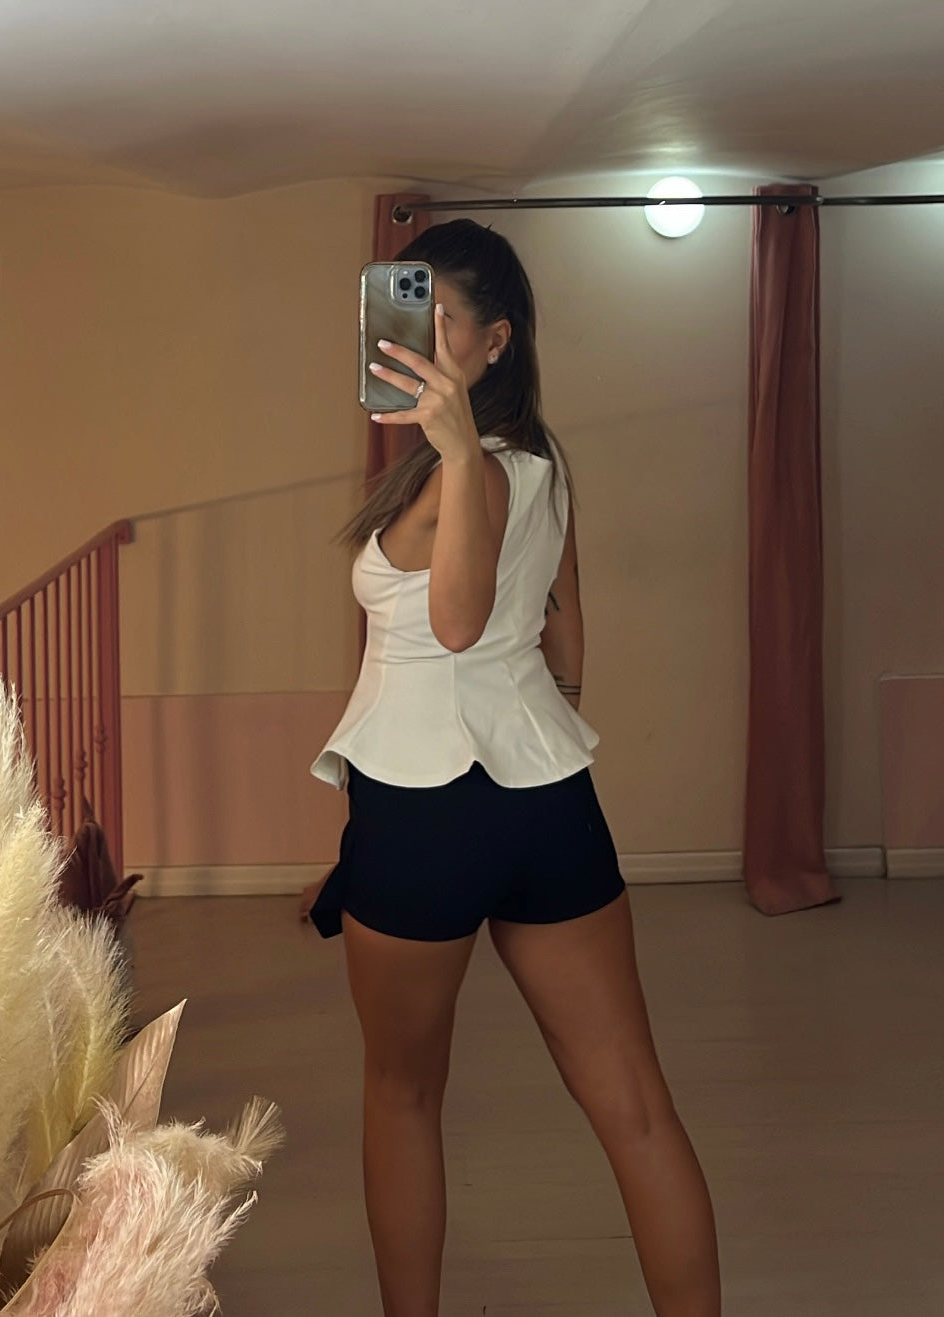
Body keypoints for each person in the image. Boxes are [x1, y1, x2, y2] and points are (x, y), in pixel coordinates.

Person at [304, 219, 720, 1317]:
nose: (418, 342)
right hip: (545, 805)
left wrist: (451, 455)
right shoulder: (541, 464)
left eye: (441, 320)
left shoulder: (466, 469)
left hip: (421, 817)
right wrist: (538, 723)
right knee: (635, 1105)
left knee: (401, 1096)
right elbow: (564, 625)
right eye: (407, 317)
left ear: (497, 342)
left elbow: (455, 626)